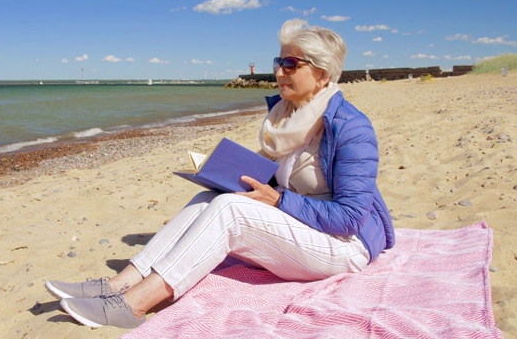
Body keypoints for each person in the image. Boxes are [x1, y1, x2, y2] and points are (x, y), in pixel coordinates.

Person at [44, 18, 395, 329]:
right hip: (306, 227)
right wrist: (224, 175)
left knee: (231, 210)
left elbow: (349, 219)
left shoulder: (352, 129)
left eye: (290, 64)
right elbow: (279, 179)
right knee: (207, 199)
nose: (279, 72)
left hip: (345, 246)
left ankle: (134, 305)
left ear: (322, 73)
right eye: (278, 62)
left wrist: (278, 200)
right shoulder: (287, 119)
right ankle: (120, 284)